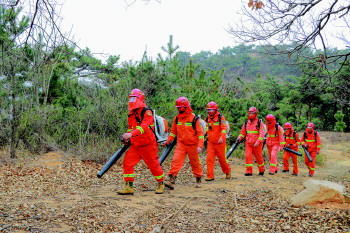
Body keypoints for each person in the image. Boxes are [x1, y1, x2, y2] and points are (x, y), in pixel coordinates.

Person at [118, 89, 165, 195]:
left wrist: (131, 134)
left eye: (134, 98)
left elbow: (143, 127)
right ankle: (129, 187)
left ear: (140, 99)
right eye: (131, 98)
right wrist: (127, 138)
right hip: (136, 145)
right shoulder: (131, 114)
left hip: (148, 145)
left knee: (154, 165)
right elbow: (131, 129)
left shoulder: (147, 112)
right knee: (127, 163)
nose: (132, 100)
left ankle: (161, 183)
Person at [162, 96, 205, 189]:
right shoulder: (177, 119)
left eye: (180, 107)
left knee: (195, 163)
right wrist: (167, 141)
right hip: (181, 144)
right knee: (175, 161)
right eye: (177, 108)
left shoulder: (194, 118)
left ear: (186, 107)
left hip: (193, 145)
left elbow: (200, 134)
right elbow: (173, 132)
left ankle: (198, 179)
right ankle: (172, 181)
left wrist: (200, 145)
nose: (178, 109)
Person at [204, 101, 231, 181]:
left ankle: (227, 171)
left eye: (211, 110)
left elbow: (223, 128)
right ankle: (210, 175)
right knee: (209, 159)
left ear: (215, 109)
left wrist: (221, 138)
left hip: (220, 143)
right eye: (208, 110)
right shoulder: (206, 119)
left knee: (222, 159)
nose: (209, 111)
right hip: (211, 143)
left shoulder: (220, 117)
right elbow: (204, 129)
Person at [236, 107, 265, 176]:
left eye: (252, 113)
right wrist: (239, 138)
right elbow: (243, 132)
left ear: (255, 114)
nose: (251, 114)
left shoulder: (259, 122)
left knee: (259, 158)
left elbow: (262, 133)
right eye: (249, 113)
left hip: (257, 144)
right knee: (248, 156)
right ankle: (249, 171)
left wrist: (258, 142)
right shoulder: (246, 123)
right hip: (248, 143)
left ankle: (261, 169)